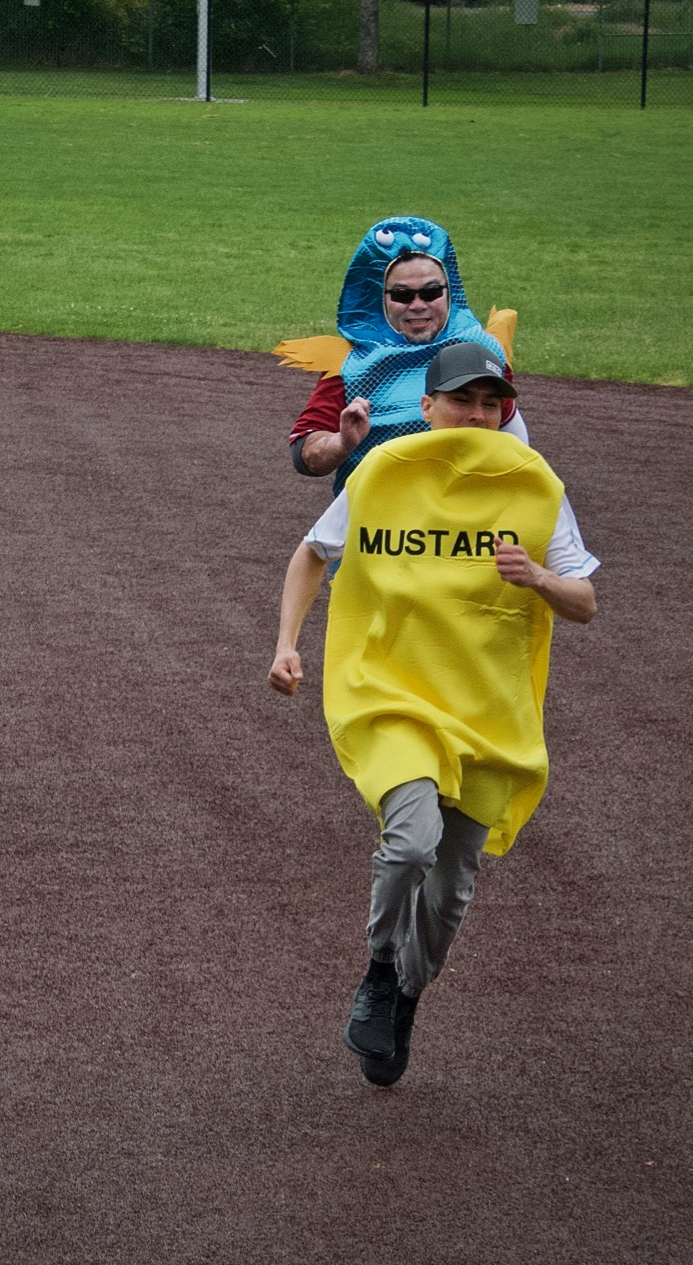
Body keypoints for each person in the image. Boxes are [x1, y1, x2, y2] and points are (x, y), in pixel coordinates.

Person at [268, 342, 598, 1087]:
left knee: (450, 889)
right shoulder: (387, 473)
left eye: (491, 404)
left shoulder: (535, 485)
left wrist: (539, 576)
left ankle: (407, 998)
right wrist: (287, 645)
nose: (476, 416)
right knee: (411, 843)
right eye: (461, 401)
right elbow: (314, 553)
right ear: (425, 408)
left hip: (488, 711)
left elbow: (585, 602)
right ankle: (381, 971)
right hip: (391, 695)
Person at [275, 215, 528, 494]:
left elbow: (513, 442)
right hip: (378, 522)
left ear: (449, 292)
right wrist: (342, 443)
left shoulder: (482, 351)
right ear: (379, 297)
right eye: (402, 295)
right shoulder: (351, 364)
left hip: (464, 516)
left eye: (431, 293)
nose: (418, 305)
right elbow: (304, 456)